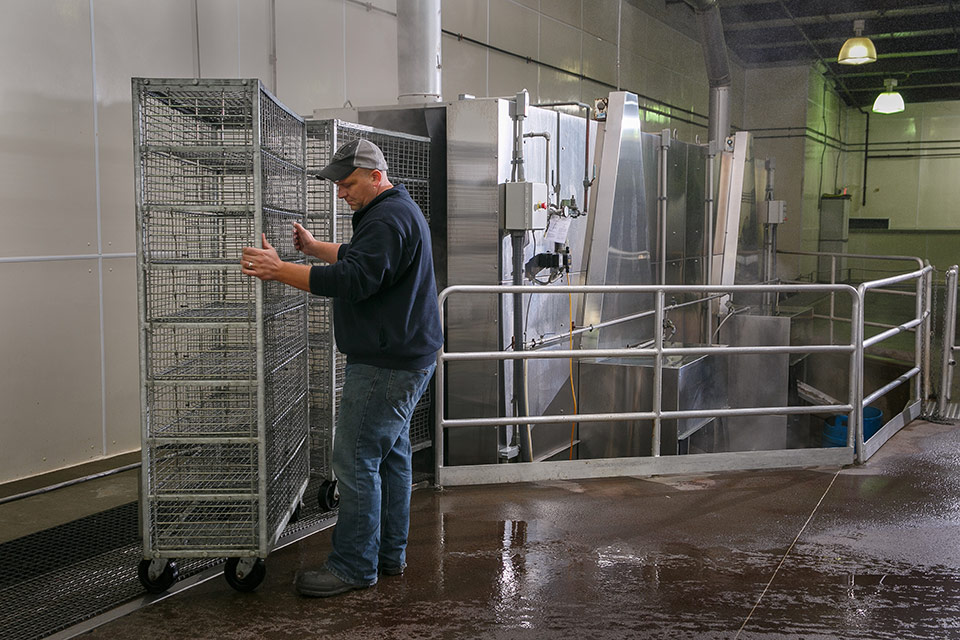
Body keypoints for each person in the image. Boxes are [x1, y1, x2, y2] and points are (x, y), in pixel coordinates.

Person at [241, 138, 442, 597]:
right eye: (337, 184)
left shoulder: (389, 219)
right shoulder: (394, 211)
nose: (340, 193)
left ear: (376, 176)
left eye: (347, 183)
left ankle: (353, 565)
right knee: (390, 457)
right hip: (405, 358)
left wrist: (279, 270)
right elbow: (361, 258)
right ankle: (388, 554)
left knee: (353, 460)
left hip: (385, 365)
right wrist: (314, 248)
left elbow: (354, 279)